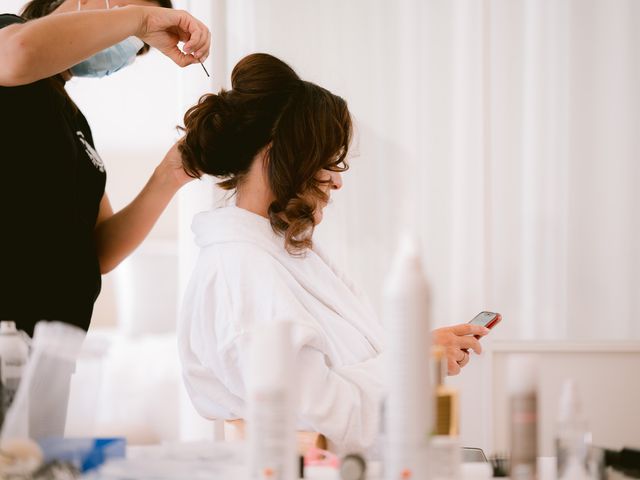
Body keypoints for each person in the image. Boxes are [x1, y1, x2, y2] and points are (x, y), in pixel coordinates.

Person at [177, 53, 490, 453]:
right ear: (278, 156)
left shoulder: (279, 254)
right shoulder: (240, 271)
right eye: (328, 161)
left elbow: (347, 378)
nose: (337, 181)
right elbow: (329, 413)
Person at [0, 0, 210, 337]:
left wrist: (170, 174)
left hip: (49, 352)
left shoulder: (73, 120)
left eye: (139, 41)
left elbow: (99, 250)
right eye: (123, 13)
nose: (129, 36)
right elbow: (18, 52)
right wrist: (140, 18)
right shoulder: (7, 33)